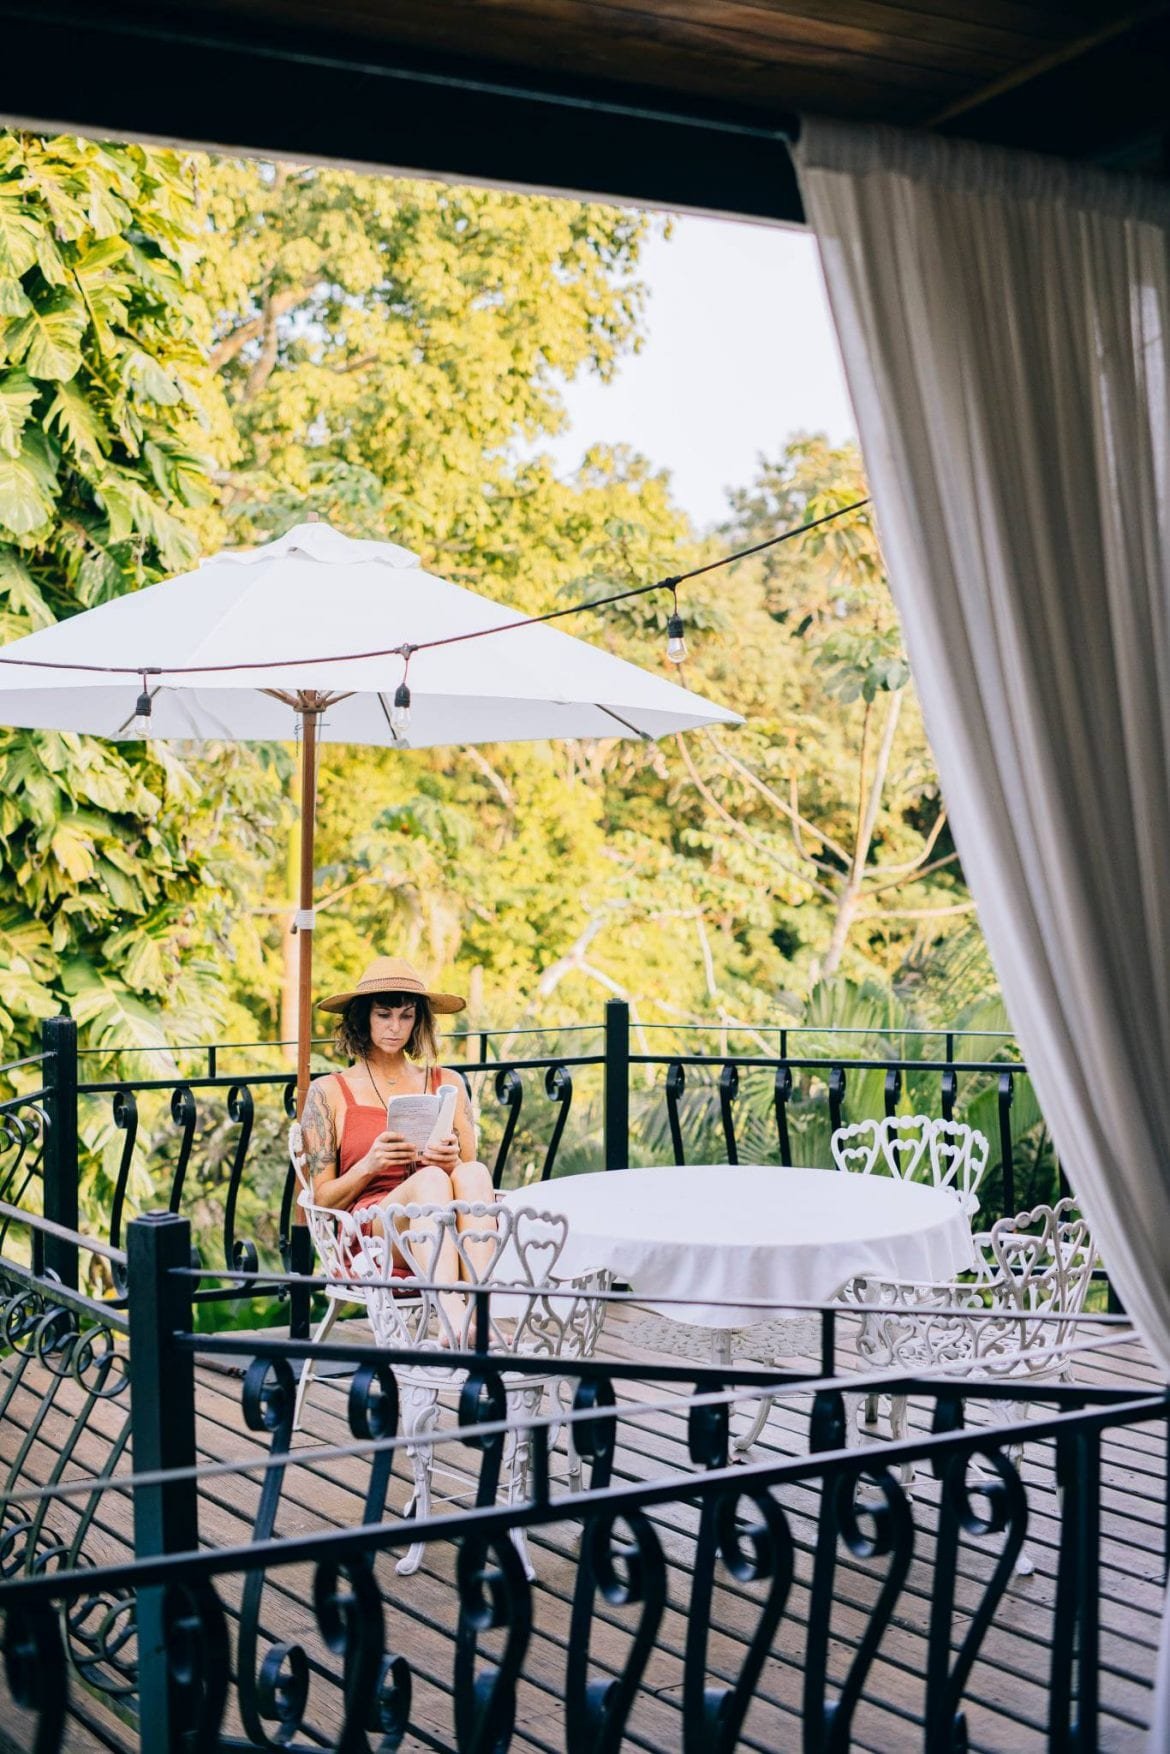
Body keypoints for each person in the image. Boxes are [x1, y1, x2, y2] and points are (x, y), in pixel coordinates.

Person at [299, 956, 496, 1294]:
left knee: (472, 1172)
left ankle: (478, 1315)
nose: (395, 1027)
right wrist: (370, 1165)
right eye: (384, 1015)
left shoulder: (447, 1082)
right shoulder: (328, 1091)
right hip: (373, 1230)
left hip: (444, 1219)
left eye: (406, 1016)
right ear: (363, 1018)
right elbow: (324, 1202)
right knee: (430, 1179)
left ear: (418, 1020)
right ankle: (458, 1317)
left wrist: (453, 1161)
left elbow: (467, 1178)